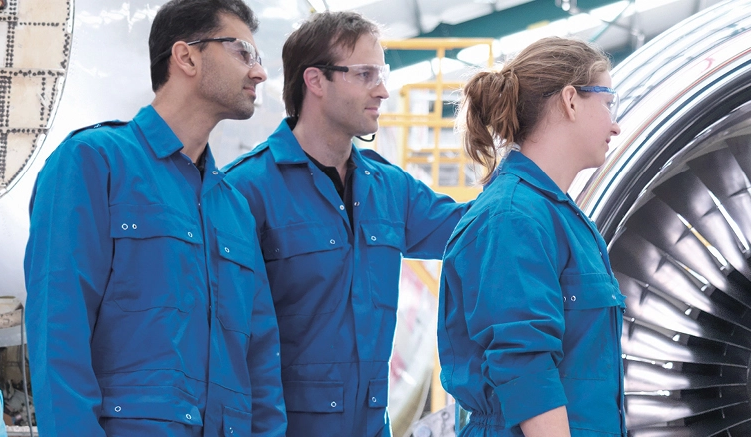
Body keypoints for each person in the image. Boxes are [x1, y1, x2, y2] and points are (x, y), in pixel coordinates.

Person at [23, 0, 283, 435]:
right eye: (243, 52)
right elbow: (58, 332)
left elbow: (261, 361)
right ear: (186, 56)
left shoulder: (233, 207)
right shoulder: (94, 162)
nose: (258, 72)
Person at [220, 11, 467, 437]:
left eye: (381, 74)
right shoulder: (246, 190)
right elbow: (225, 342)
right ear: (315, 81)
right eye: (366, 74)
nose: (383, 90)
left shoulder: (389, 187)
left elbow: (473, 231)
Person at [438, 36, 625, 437]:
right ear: (571, 100)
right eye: (609, 102)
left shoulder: (557, 216)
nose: (615, 123)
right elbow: (526, 369)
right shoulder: (513, 218)